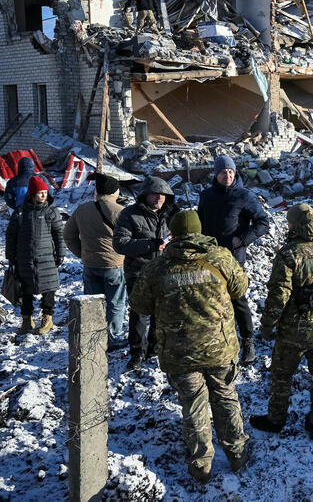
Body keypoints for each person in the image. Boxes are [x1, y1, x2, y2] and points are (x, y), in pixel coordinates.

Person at [130, 210, 251, 483]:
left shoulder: (157, 267)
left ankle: (201, 466)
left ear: (172, 233)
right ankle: (237, 454)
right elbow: (241, 287)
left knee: (193, 404)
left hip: (179, 351)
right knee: (225, 396)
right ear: (200, 230)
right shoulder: (221, 258)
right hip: (220, 347)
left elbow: (139, 305)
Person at [250, 204, 313, 442]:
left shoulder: (290, 254)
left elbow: (278, 296)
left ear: (295, 225)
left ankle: (276, 419)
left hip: (294, 332)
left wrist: (267, 325)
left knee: (282, 375)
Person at [198, 155, 269, 365]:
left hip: (233, 257)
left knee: (238, 299)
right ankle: (215, 339)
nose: (227, 175)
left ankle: (248, 341)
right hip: (209, 257)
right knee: (211, 299)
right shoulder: (206, 196)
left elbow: (263, 222)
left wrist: (242, 239)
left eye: (230, 171)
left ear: (234, 173)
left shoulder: (244, 195)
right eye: (222, 172)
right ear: (216, 174)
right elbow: (200, 222)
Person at [113, 177, 177, 370]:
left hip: (164, 271)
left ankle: (154, 348)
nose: (159, 197)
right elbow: (120, 244)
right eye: (155, 194)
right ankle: (137, 352)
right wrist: (151, 244)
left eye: (163, 194)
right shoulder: (129, 214)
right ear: (145, 195)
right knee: (139, 313)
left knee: (160, 312)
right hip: (138, 271)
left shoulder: (172, 214)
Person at [64, 173, 127, 349]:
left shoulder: (82, 210)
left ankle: (93, 337)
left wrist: (82, 253)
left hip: (90, 264)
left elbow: (68, 235)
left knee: (92, 302)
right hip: (114, 265)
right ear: (115, 191)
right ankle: (113, 338)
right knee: (115, 303)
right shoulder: (120, 212)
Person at [6, 176, 64, 335]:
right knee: (26, 289)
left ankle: (47, 317)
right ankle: (26, 319)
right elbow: (11, 235)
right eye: (40, 193)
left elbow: (59, 234)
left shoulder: (51, 211)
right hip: (25, 257)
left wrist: (61, 253)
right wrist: (10, 256)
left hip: (47, 258)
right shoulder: (20, 213)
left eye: (45, 192)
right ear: (31, 194)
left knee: (49, 287)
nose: (43, 195)